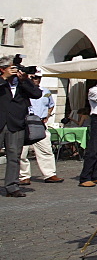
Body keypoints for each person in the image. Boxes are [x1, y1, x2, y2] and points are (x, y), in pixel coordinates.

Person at [1, 56, 43, 197]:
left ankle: (12, 186)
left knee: (14, 156)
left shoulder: (22, 82)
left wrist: (24, 80)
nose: (15, 71)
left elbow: (37, 94)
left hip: (16, 124)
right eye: (12, 68)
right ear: (3, 69)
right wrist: (4, 78)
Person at [19, 73, 62, 184]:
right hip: (25, 122)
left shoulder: (45, 91)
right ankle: (23, 176)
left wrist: (47, 115)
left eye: (38, 78)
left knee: (46, 149)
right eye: (33, 78)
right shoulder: (22, 90)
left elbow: (51, 104)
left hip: (40, 123)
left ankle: (50, 174)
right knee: (22, 152)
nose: (36, 80)